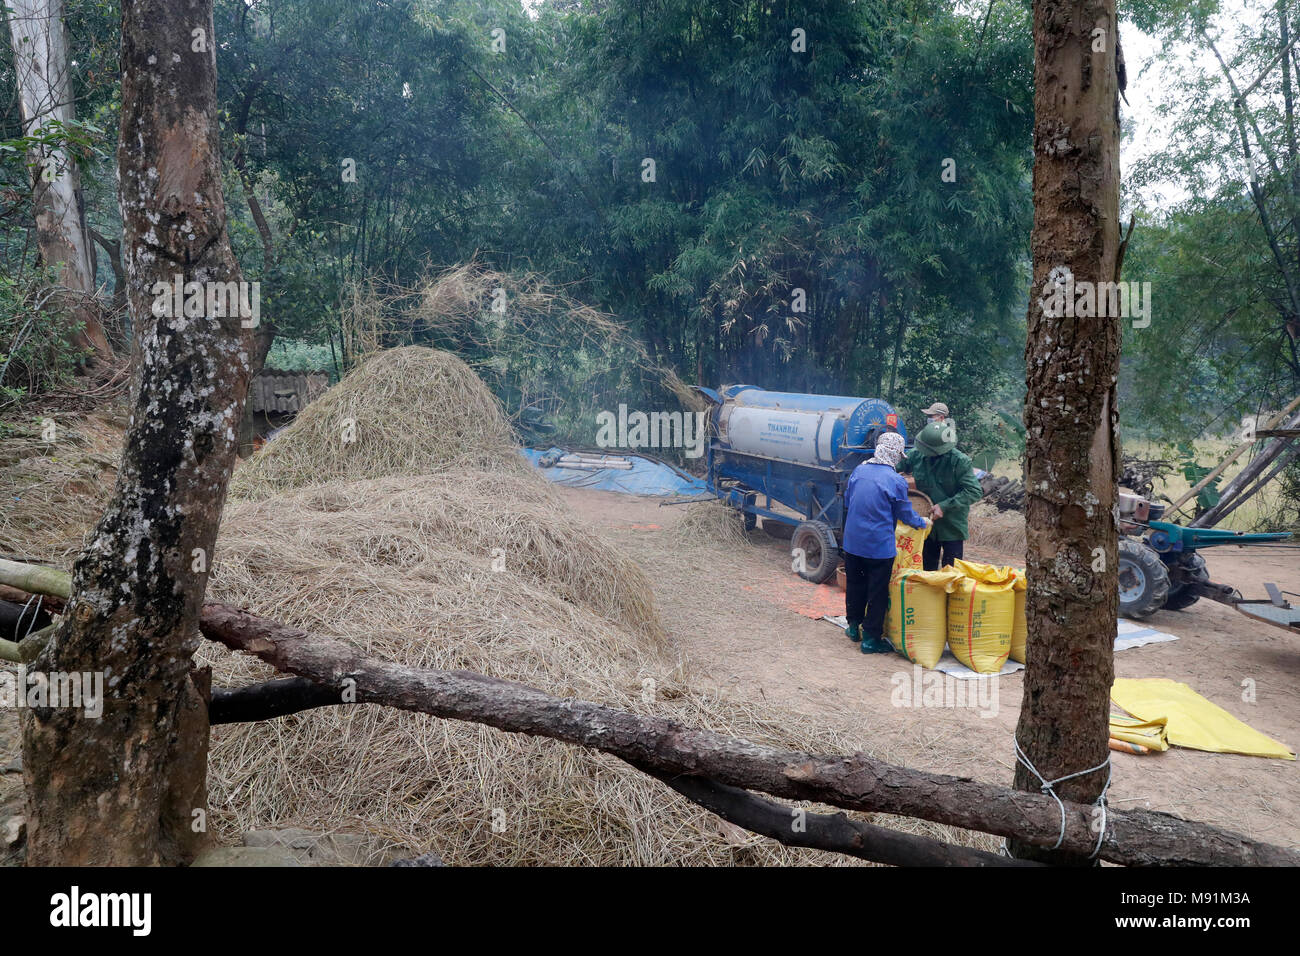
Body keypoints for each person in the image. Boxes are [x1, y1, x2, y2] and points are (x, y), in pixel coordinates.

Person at [841, 431, 930, 654]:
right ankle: (870, 639)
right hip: (878, 547)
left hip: (852, 542)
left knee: (855, 584)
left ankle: (853, 627)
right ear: (894, 454)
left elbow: (847, 500)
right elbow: (905, 514)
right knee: (877, 591)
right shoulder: (896, 481)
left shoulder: (859, 471)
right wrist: (923, 522)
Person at [898, 419, 982, 571]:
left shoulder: (960, 461)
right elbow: (895, 467)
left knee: (951, 572)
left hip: (952, 525)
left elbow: (974, 491)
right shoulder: (916, 455)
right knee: (926, 570)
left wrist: (944, 506)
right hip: (925, 524)